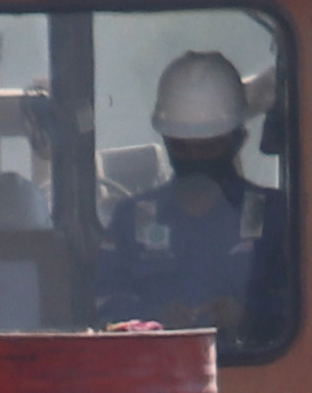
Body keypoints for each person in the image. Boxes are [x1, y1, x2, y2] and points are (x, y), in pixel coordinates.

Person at [96, 50, 292, 342]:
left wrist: (246, 314)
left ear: (238, 138)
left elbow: (301, 304)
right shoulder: (132, 219)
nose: (195, 157)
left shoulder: (274, 216)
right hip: (153, 377)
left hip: (254, 375)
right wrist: (154, 317)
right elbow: (103, 304)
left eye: (208, 145)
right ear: (165, 138)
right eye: (183, 146)